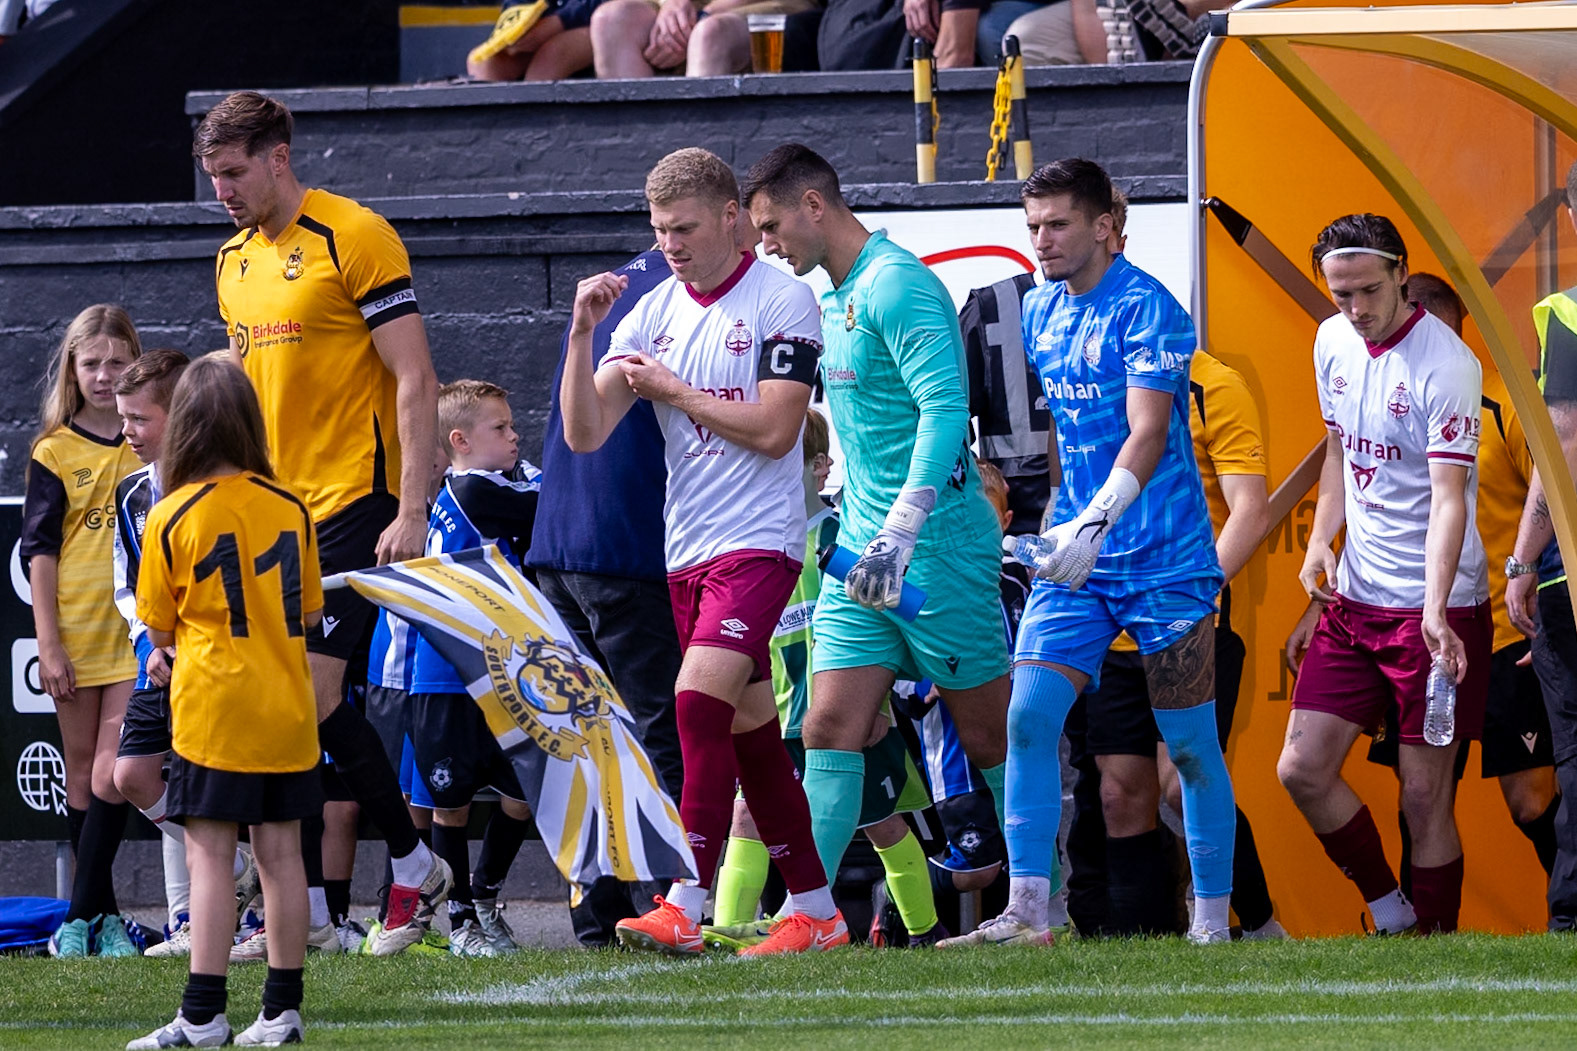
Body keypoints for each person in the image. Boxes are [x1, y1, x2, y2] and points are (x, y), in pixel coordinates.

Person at [562, 147, 844, 956]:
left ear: (730, 217)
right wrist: (584, 335)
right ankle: (818, 911)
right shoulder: (649, 310)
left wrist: (676, 391)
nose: (670, 244)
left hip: (759, 543)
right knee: (753, 739)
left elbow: (774, 429)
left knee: (694, 704)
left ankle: (685, 895)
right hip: (685, 548)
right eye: (658, 231)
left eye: (683, 227)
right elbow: (586, 432)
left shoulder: (782, 297)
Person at [949, 157, 1236, 946]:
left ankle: (1209, 923)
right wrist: (1056, 520)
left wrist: (1096, 517)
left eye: (1056, 225)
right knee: (1029, 719)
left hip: (1164, 562)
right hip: (1076, 561)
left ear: (1104, 226)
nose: (1040, 240)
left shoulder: (1149, 308)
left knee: (1188, 745)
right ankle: (1027, 913)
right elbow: (1060, 435)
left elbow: (1146, 430)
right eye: (1031, 226)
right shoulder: (1040, 312)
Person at [196, 90, 449, 956]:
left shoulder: (355, 234)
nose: (222, 190)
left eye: (233, 172)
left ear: (277, 157)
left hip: (356, 499)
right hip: (275, 513)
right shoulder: (231, 260)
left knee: (310, 693)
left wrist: (412, 506)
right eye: (211, 176)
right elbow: (240, 392)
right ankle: (371, 882)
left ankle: (407, 869)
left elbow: (414, 376)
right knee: (289, 706)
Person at [742, 144, 1013, 922]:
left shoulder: (900, 286)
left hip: (937, 551)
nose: (766, 245)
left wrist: (903, 525)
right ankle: (809, 917)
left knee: (988, 738)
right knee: (828, 724)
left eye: (770, 227)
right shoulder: (831, 297)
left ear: (813, 206)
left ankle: (1040, 900)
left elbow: (941, 412)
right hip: (862, 553)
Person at [1278, 214, 1490, 936]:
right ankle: (1389, 909)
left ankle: (1431, 949)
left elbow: (1447, 501)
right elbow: (1338, 451)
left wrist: (1433, 611)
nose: (1355, 309)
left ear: (1401, 272)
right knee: (1300, 768)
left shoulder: (1448, 364)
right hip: (1353, 601)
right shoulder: (1330, 339)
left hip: (1436, 609)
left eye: (1367, 290)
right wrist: (1318, 539)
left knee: (1424, 797)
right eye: (1339, 294)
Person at [1332, 273, 1560, 889]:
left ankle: (1568, 913)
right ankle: (1415, 932)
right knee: (1420, 793)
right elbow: (1361, 498)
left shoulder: (1501, 403)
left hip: (1501, 634)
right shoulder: (1377, 399)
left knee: (1532, 799)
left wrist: (1531, 579)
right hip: (1421, 635)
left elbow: (1556, 498)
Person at [129, 357, 323, 1049]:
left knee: (212, 858)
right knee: (282, 857)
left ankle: (203, 1014)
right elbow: (305, 612)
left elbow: (159, 625)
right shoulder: (291, 504)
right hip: (287, 705)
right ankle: (283, 1009)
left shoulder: (170, 513)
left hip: (215, 707)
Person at [708, 408, 942, 951]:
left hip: (847, 714)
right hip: (778, 714)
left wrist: (879, 699)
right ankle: (723, 936)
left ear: (820, 468)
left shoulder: (843, 536)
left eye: (782, 462)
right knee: (748, 815)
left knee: (881, 823)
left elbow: (895, 613)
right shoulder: (755, 546)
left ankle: (928, 935)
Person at [1068, 344, 1281, 939]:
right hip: (1112, 629)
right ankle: (1150, 949)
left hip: (1194, 622)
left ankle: (1260, 925)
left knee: (1177, 780)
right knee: (1117, 793)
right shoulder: (1087, 385)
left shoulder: (1214, 384)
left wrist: (1188, 596)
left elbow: (1249, 511)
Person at [531, 246, 686, 947]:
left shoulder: (626, 283)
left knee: (583, 734)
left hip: (560, 541)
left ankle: (594, 909)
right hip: (624, 544)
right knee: (661, 729)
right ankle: (663, 902)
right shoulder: (688, 293)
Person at [109, 350, 264, 959]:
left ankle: (237, 915)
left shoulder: (225, 487)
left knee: (232, 786)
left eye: (138, 420)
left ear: (179, 417)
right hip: (163, 659)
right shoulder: (132, 498)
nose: (126, 433)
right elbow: (130, 587)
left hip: (226, 663)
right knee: (132, 774)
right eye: (122, 419)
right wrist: (150, 641)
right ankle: (231, 872)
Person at [408, 380, 542, 958]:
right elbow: (546, 508)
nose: (514, 437)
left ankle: (485, 893)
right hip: (447, 671)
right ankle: (461, 916)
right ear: (459, 441)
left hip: (508, 665)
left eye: (513, 428)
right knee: (451, 800)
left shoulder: (506, 479)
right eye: (501, 430)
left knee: (526, 790)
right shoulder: (469, 489)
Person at [25, 305, 143, 959]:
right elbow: (39, 555)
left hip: (131, 635)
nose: (104, 375)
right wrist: (49, 643)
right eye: (91, 362)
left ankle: (77, 917)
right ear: (72, 368)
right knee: (79, 775)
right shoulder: (53, 450)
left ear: (135, 363)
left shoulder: (151, 439)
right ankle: (102, 920)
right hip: (75, 632)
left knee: (112, 771)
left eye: (116, 362)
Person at [1506, 161, 1577, 931]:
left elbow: (1562, 442)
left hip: (1568, 573)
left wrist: (1524, 559)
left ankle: (1572, 914)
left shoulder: (1567, 311)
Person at [590, 0, 819, 77]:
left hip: (772, 8)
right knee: (611, 21)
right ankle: (639, 157)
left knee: (709, 36)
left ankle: (696, 175)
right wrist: (670, 5)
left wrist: (694, 19)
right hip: (687, 9)